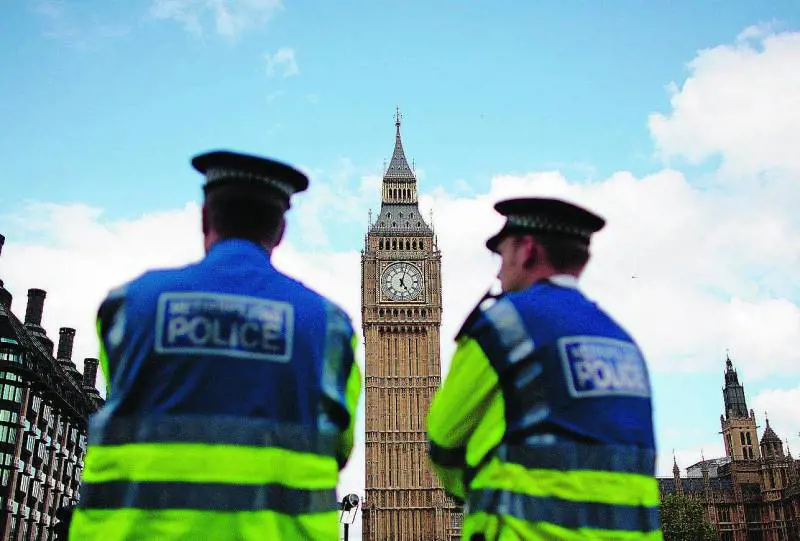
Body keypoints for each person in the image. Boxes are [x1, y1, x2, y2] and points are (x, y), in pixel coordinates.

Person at [69, 150, 362, 540]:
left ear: (205, 217)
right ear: (279, 231)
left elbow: (121, 391)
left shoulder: (128, 306)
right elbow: (339, 445)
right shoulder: (328, 325)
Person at [427, 197, 662, 540]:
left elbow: (443, 443)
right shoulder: (624, 344)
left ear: (527, 251)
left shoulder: (504, 328)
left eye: (502, 255)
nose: (498, 271)